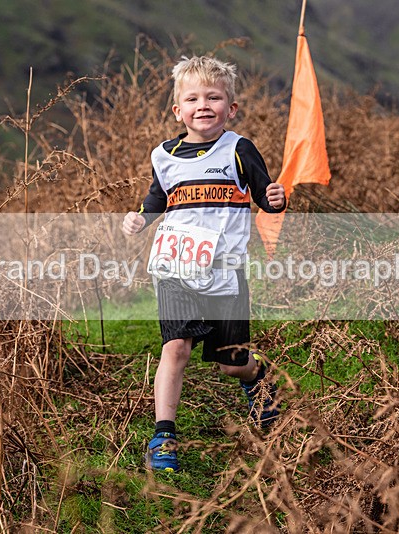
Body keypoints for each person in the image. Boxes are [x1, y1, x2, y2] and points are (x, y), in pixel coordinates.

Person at [122, 55, 286, 472]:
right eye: (192, 98)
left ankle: (256, 378)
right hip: (175, 268)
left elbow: (265, 192)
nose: (203, 105)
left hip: (225, 272)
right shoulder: (164, 155)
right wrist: (140, 217)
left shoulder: (239, 149)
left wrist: (275, 198)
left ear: (230, 108)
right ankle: (164, 437)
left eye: (214, 97)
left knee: (230, 363)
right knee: (174, 348)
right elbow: (158, 197)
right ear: (178, 111)